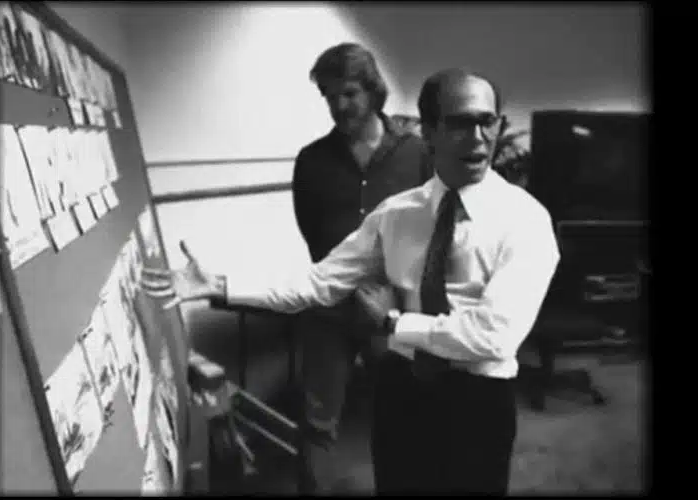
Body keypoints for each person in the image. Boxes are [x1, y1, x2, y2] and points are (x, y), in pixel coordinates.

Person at [141, 68, 561, 494]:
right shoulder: (396, 215)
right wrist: (220, 285)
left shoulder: (526, 221)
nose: (478, 137)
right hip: (403, 389)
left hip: (478, 400)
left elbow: (494, 337)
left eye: (488, 121)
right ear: (430, 131)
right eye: (460, 123)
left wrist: (394, 323)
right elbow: (317, 283)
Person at [288, 42, 431, 493]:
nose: (339, 105)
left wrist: (399, 294)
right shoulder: (311, 161)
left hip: (391, 309)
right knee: (317, 419)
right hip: (329, 306)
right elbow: (312, 231)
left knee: (400, 412)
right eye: (329, 96)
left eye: (348, 93)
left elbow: (432, 231)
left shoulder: (417, 154)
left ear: (373, 91)